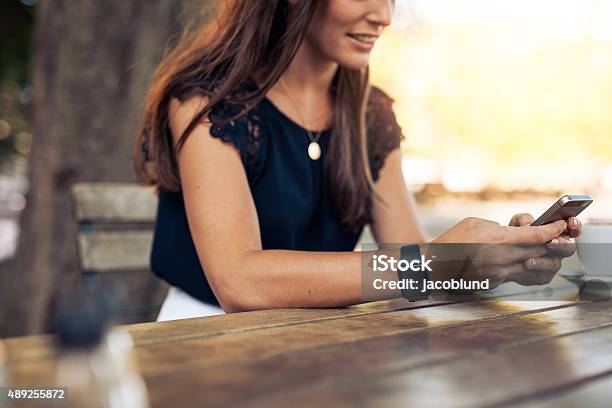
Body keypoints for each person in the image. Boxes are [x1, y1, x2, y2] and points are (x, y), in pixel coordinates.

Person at [133, 0, 582, 321]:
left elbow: (412, 264)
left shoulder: (372, 114)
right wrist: (431, 262)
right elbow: (239, 283)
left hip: (328, 334)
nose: (385, 15)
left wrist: (492, 263)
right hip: (203, 337)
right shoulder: (206, 102)